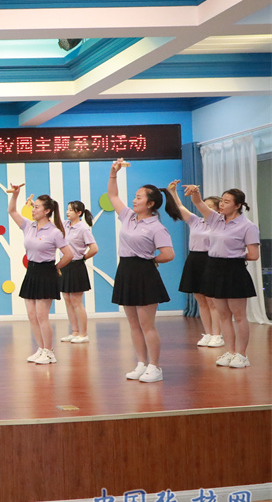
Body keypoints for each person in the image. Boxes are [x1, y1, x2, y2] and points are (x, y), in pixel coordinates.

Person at [107, 159, 180, 383]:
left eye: (139, 197)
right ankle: (141, 363)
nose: (134, 200)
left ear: (150, 203)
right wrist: (113, 173)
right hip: (125, 270)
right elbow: (113, 196)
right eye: (135, 196)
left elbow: (168, 254)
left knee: (147, 325)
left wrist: (150, 261)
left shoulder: (157, 227)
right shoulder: (128, 216)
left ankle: (155, 367)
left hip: (144, 273)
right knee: (133, 324)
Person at [187, 186, 260, 369]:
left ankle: (242, 355)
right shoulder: (215, 219)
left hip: (234, 270)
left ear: (237, 205)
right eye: (221, 200)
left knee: (239, 316)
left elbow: (253, 255)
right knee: (224, 315)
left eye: (227, 202)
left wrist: (234, 255)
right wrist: (195, 192)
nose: (221, 204)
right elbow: (198, 203)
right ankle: (230, 351)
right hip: (214, 268)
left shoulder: (248, 226)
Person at [7, 184, 73, 365]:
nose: (33, 209)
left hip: (46, 273)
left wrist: (56, 267)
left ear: (47, 211)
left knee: (42, 316)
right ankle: (41, 348)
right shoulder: (28, 226)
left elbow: (69, 254)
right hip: (31, 272)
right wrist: (16, 194)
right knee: (32, 315)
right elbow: (11, 211)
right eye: (33, 206)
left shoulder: (55, 232)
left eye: (36, 207)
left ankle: (50, 352)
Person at [166, 181, 223, 348]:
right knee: (201, 301)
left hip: (211, 260)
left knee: (212, 301)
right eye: (204, 205)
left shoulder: (219, 223)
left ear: (218, 210)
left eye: (209, 206)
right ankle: (208, 333)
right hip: (194, 260)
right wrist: (173, 192)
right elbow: (179, 206)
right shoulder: (195, 221)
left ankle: (217, 335)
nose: (204, 208)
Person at [59, 201, 98, 343]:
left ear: (79, 213)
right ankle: (74, 332)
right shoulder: (64, 224)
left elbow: (94, 249)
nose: (67, 212)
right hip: (65, 265)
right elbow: (50, 220)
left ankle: (84, 334)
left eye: (71, 210)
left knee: (76, 301)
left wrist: (83, 258)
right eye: (67, 209)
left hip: (76, 266)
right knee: (67, 299)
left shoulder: (83, 229)